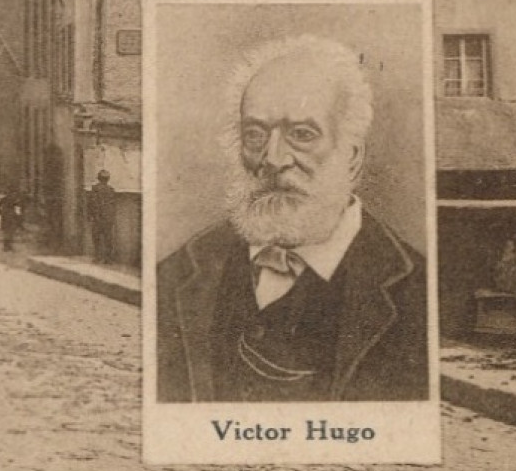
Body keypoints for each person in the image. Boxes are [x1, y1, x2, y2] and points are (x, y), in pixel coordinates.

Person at [155, 35, 429, 404]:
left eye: (302, 135)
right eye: (255, 134)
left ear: (351, 155)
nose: (273, 159)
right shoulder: (178, 272)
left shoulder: (418, 288)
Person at [86, 170, 118, 264]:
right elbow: (113, 205)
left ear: (98, 178)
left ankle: (98, 257)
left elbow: (91, 203)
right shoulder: (111, 190)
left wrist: (90, 215)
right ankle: (108, 259)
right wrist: (112, 217)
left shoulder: (95, 189)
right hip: (107, 218)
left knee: (97, 238)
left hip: (97, 217)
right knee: (108, 238)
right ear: (108, 179)